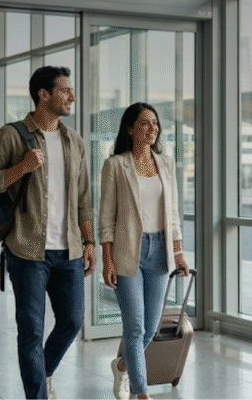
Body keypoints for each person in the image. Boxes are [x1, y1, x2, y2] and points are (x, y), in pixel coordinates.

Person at [0, 66, 95, 399]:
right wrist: (22, 167)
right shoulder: (10, 136)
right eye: (65, 90)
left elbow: (84, 198)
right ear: (44, 94)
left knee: (72, 321)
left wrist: (89, 242)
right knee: (30, 332)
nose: (72, 96)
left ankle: (43, 372)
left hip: (68, 250)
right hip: (26, 251)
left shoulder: (74, 141)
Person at [100, 103, 188, 400]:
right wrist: (107, 259)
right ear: (129, 128)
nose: (152, 129)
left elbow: (173, 214)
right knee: (135, 327)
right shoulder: (115, 165)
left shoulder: (165, 163)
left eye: (155, 124)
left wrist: (178, 253)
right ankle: (141, 393)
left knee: (150, 329)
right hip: (129, 254)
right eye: (144, 124)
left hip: (159, 251)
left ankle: (122, 365)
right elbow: (107, 218)